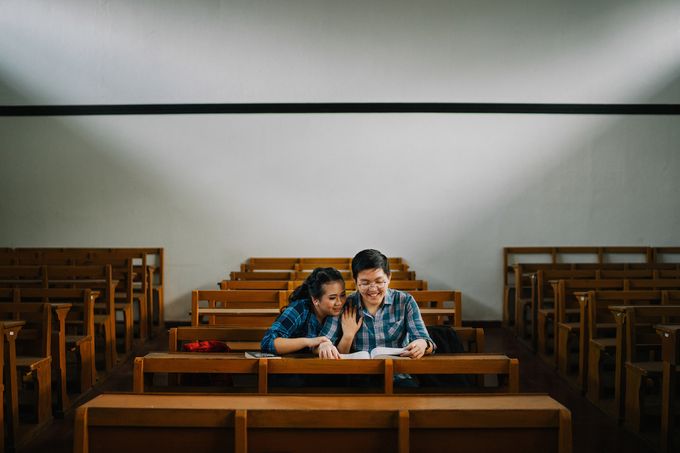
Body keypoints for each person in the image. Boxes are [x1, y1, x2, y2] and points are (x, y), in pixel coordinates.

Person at [317, 249, 435, 359]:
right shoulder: (344, 305)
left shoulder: (405, 301)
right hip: (358, 375)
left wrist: (422, 343)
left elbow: (426, 341)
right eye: (365, 283)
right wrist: (327, 344)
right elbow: (322, 342)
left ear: (389, 278)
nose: (373, 289)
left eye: (379, 281)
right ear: (355, 281)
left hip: (398, 373)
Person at [260, 267, 348, 355]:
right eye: (332, 298)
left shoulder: (342, 312)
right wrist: (309, 342)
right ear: (315, 300)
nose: (339, 302)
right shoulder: (300, 308)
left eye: (342, 295)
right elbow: (267, 343)